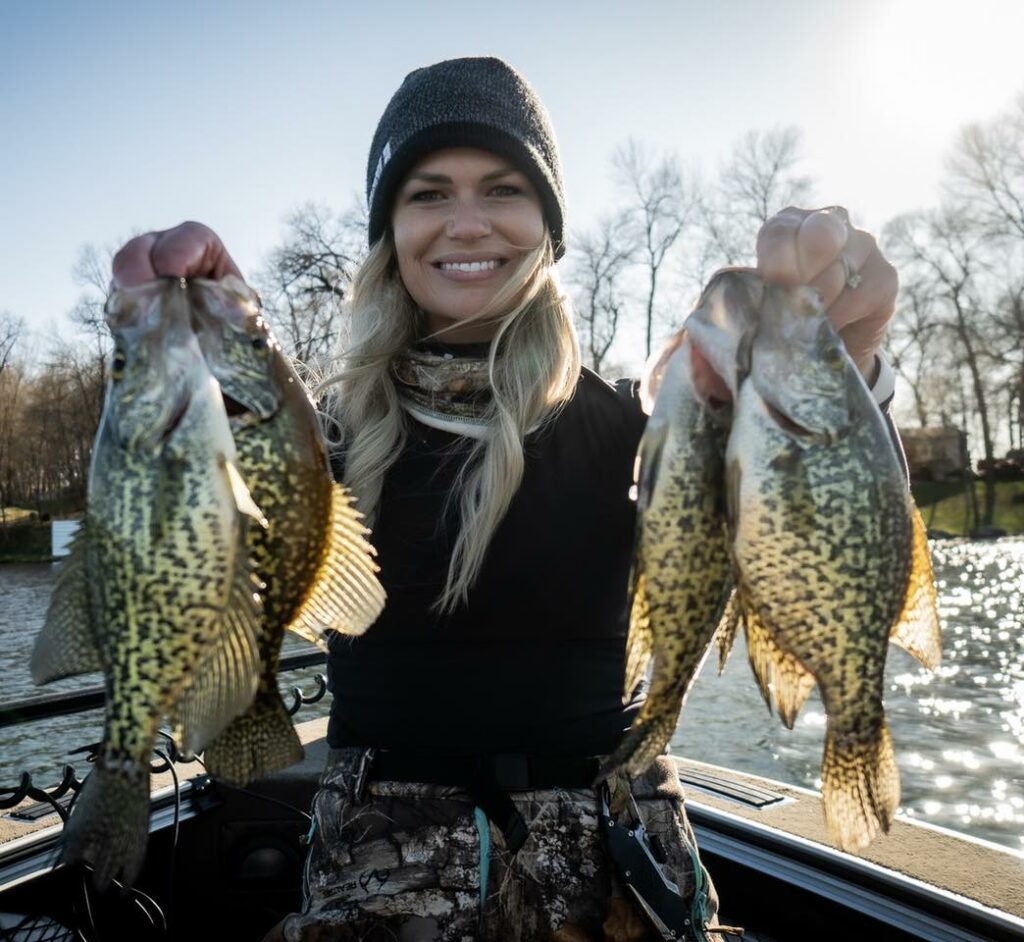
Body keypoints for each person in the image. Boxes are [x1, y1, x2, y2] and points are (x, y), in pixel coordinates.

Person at [112, 57, 899, 942]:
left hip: (621, 891)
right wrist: (188, 347)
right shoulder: (320, 441)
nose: (468, 221)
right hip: (374, 890)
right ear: (391, 228)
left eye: (504, 188)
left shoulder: (643, 427)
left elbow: (802, 526)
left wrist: (854, 365)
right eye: (428, 192)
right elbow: (201, 531)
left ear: (546, 223)